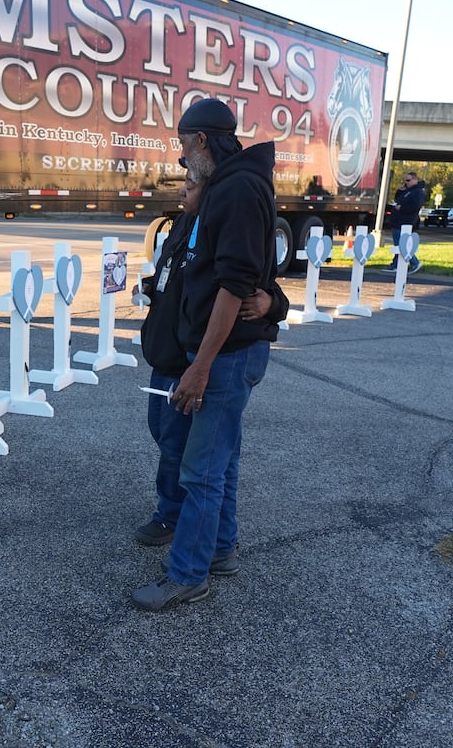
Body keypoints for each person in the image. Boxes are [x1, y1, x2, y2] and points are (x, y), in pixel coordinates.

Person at [131, 98, 277, 612]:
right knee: (222, 460)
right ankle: (220, 550)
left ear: (199, 140)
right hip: (226, 354)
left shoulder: (236, 189)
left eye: (181, 144)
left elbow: (235, 287)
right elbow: (250, 277)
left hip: (224, 357)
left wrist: (199, 366)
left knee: (201, 471)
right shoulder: (228, 187)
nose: (181, 158)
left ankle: (188, 575)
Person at [134, 175, 273, 549]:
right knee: (165, 438)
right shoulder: (180, 226)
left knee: (194, 460)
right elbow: (173, 279)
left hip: (188, 363)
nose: (182, 191)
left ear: (209, 192)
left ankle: (176, 523)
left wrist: (273, 304)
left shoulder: (221, 229)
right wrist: (150, 286)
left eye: (191, 185)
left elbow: (251, 288)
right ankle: (215, 542)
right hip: (164, 356)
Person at [381, 171, 425, 274]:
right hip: (398, 221)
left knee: (401, 245)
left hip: (405, 222)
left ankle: (414, 262)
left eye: (408, 180)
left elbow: (415, 206)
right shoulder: (408, 191)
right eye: (405, 181)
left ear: (415, 180)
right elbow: (398, 198)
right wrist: (400, 190)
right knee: (399, 245)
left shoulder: (417, 192)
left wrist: (401, 208)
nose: (406, 183)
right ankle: (396, 264)